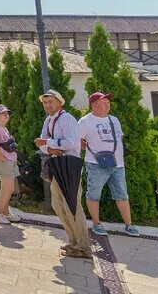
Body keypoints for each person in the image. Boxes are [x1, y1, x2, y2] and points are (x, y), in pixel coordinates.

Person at [36, 89, 91, 259]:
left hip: (69, 165)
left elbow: (73, 142)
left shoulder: (66, 118)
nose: (47, 105)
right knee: (58, 205)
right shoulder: (48, 120)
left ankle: (83, 246)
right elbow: (40, 143)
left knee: (72, 205)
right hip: (56, 165)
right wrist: (48, 147)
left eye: (50, 102)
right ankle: (73, 241)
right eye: (45, 103)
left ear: (60, 102)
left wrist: (49, 143)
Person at [80, 91, 141, 237]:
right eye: (104, 102)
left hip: (117, 164)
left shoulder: (114, 119)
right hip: (96, 164)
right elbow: (78, 141)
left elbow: (119, 138)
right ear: (94, 104)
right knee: (94, 195)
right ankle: (96, 224)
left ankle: (129, 225)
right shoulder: (85, 121)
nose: (108, 104)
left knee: (122, 195)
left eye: (108, 102)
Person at [0, 104, 22, 224]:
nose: (7, 115)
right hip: (4, 162)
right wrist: (3, 159)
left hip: (9, 161)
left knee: (8, 189)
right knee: (7, 189)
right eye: (3, 113)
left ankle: (6, 213)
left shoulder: (4, 128)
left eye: (7, 113)